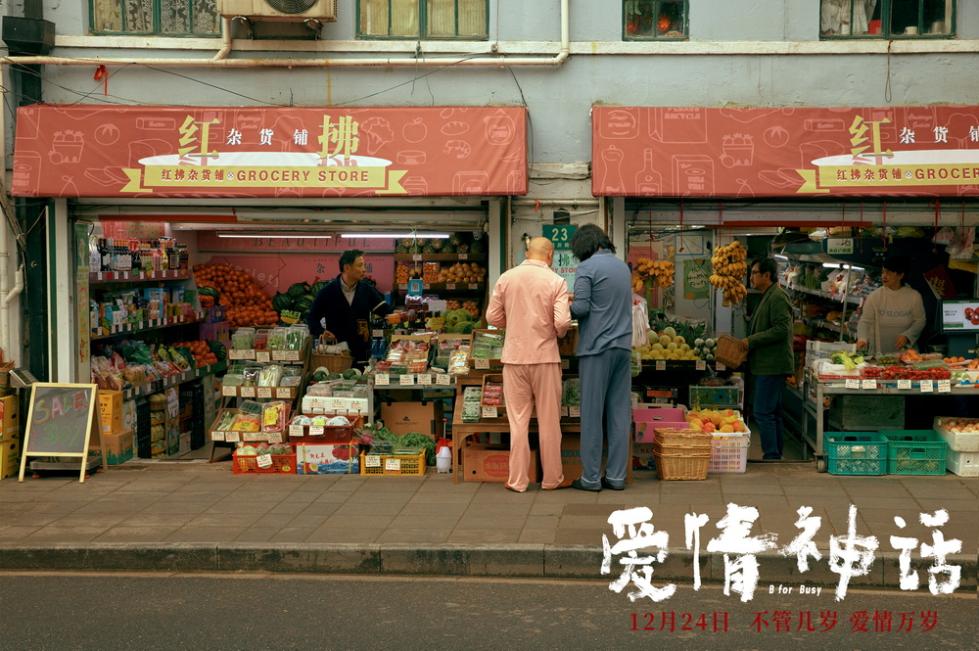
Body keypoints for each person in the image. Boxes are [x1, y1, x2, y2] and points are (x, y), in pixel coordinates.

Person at [486, 237, 572, 492]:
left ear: (526, 253)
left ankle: (518, 481)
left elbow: (492, 316)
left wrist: (513, 323)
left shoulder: (506, 278)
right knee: (549, 421)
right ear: (550, 255)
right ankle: (552, 479)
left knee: (518, 422)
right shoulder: (556, 281)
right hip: (545, 358)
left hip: (514, 358)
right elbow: (562, 322)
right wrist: (557, 333)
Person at [568, 224, 633, 492]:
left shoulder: (587, 268)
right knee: (619, 413)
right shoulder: (623, 268)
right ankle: (616, 476)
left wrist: (563, 307)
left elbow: (581, 308)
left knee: (592, 415)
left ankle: (591, 478)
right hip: (623, 347)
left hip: (596, 348)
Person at [743, 257, 794, 461]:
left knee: (763, 411)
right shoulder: (768, 295)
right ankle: (775, 454)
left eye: (755, 273)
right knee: (773, 412)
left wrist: (751, 341)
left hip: (772, 365)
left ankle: (771, 455)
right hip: (767, 364)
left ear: (767, 275)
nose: (751, 277)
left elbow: (782, 329)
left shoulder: (778, 297)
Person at [306, 249, 391, 364]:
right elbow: (312, 318)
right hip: (337, 356)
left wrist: (402, 314)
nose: (364, 269)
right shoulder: (327, 292)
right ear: (347, 268)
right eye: (360, 265)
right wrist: (321, 331)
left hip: (362, 354)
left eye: (364, 265)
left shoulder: (367, 290)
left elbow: (385, 311)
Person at [856, 254, 926, 355]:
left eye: (889, 273)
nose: (884, 276)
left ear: (901, 275)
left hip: (907, 356)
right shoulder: (875, 296)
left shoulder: (914, 296)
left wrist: (907, 336)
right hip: (879, 355)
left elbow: (920, 321)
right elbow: (865, 321)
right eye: (883, 272)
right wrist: (862, 339)